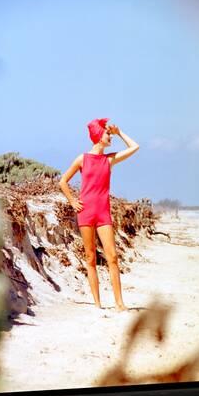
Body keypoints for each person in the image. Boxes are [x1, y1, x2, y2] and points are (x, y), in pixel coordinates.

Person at [59, 118, 140, 312]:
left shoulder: (109, 159)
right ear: (98, 136)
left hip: (103, 213)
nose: (109, 136)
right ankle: (97, 304)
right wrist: (72, 201)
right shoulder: (82, 159)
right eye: (107, 133)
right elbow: (63, 181)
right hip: (86, 212)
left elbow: (135, 146)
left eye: (110, 134)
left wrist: (119, 132)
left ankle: (120, 304)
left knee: (112, 257)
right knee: (90, 258)